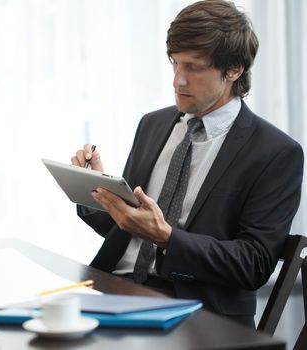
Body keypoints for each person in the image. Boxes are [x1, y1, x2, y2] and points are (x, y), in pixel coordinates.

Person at [71, 0, 304, 328]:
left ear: (234, 69)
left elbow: (254, 264)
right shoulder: (152, 124)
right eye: (175, 64)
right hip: (113, 289)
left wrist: (167, 237)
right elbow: (124, 228)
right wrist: (93, 189)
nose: (177, 81)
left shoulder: (276, 153)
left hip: (199, 313)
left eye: (193, 67)